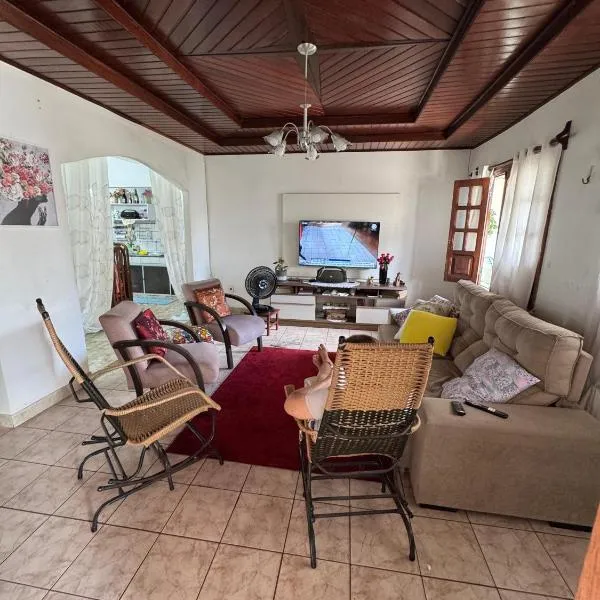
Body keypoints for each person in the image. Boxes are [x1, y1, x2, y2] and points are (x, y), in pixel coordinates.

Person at [284, 334, 376, 422]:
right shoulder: (380, 389)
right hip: (364, 428)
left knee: (324, 377)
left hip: (329, 426)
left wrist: (323, 383)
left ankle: (326, 362)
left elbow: (289, 406)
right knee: (331, 374)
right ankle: (326, 364)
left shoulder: (336, 392)